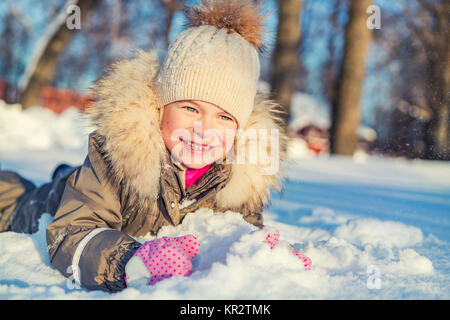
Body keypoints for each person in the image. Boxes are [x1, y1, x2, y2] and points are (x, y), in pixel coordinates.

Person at [1, 0, 311, 293]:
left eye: (224, 117)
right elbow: (71, 232)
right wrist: (129, 261)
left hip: (81, 187)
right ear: (161, 106)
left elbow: (241, 228)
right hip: (47, 205)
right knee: (14, 201)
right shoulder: (118, 156)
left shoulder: (239, 180)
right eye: (190, 109)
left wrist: (264, 257)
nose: (203, 129)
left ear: (239, 129)